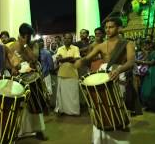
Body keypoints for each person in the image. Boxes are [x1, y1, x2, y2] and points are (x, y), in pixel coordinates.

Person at [75, 16, 136, 144]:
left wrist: (119, 70)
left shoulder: (128, 43)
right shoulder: (101, 45)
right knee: (101, 106)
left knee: (118, 106)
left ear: (119, 28)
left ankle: (120, 138)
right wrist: (81, 61)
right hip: (104, 77)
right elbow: (88, 58)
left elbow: (131, 61)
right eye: (106, 27)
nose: (107, 30)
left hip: (119, 76)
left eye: (111, 27)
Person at [8, 23, 47, 140]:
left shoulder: (34, 45)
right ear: (22, 35)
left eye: (30, 36)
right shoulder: (12, 46)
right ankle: (19, 132)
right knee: (19, 106)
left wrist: (25, 45)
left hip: (32, 77)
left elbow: (34, 59)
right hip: (19, 78)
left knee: (36, 105)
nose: (29, 38)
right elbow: (9, 62)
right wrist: (13, 68)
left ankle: (39, 131)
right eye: (27, 36)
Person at [54, 33, 81, 116]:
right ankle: (62, 110)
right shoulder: (60, 49)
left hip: (73, 74)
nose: (67, 40)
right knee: (62, 95)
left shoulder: (75, 48)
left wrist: (64, 59)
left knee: (73, 95)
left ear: (72, 40)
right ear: (63, 39)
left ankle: (74, 111)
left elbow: (76, 59)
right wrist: (69, 59)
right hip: (62, 73)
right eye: (65, 38)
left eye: (69, 38)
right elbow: (59, 60)